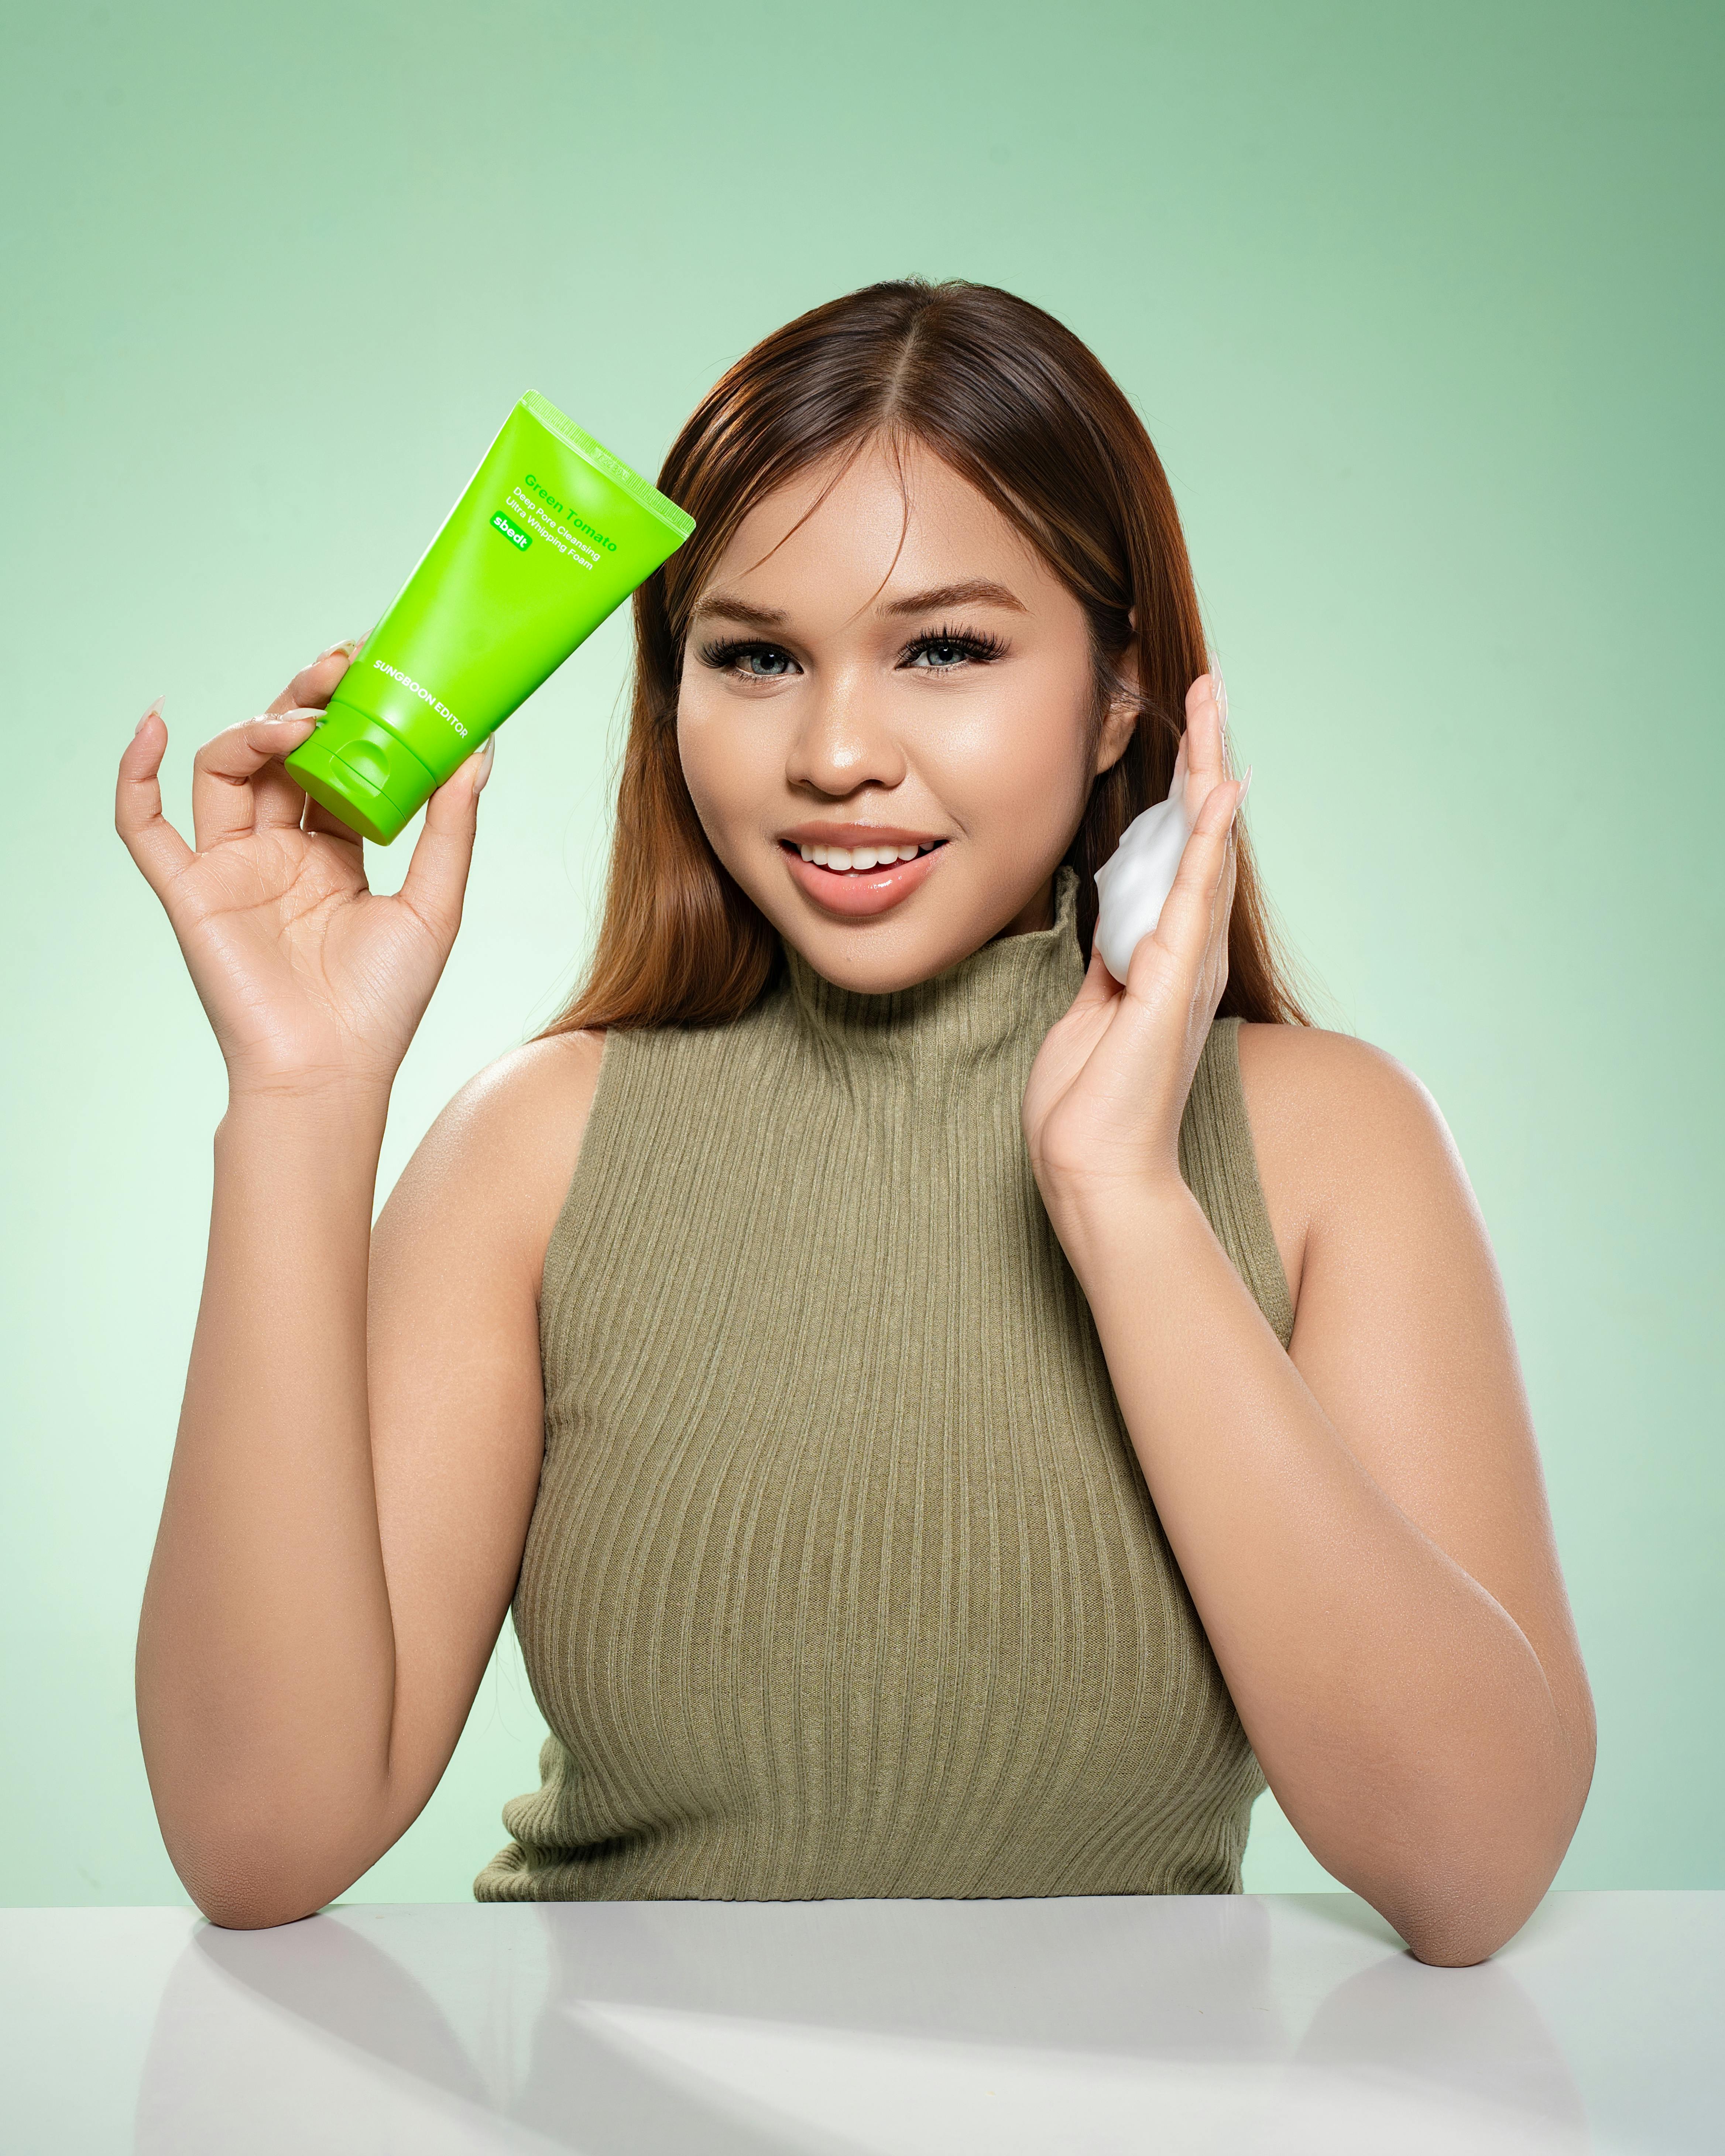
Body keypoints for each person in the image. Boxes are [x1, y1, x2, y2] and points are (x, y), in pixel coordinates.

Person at [117, 279, 1594, 1966]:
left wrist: (1123, 1196)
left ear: (1121, 693)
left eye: (945, 648)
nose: (832, 751)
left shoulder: (1331, 1144)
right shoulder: (536, 1150)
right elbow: (256, 1836)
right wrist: (303, 1097)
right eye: (752, 656)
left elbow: (1472, 1867)